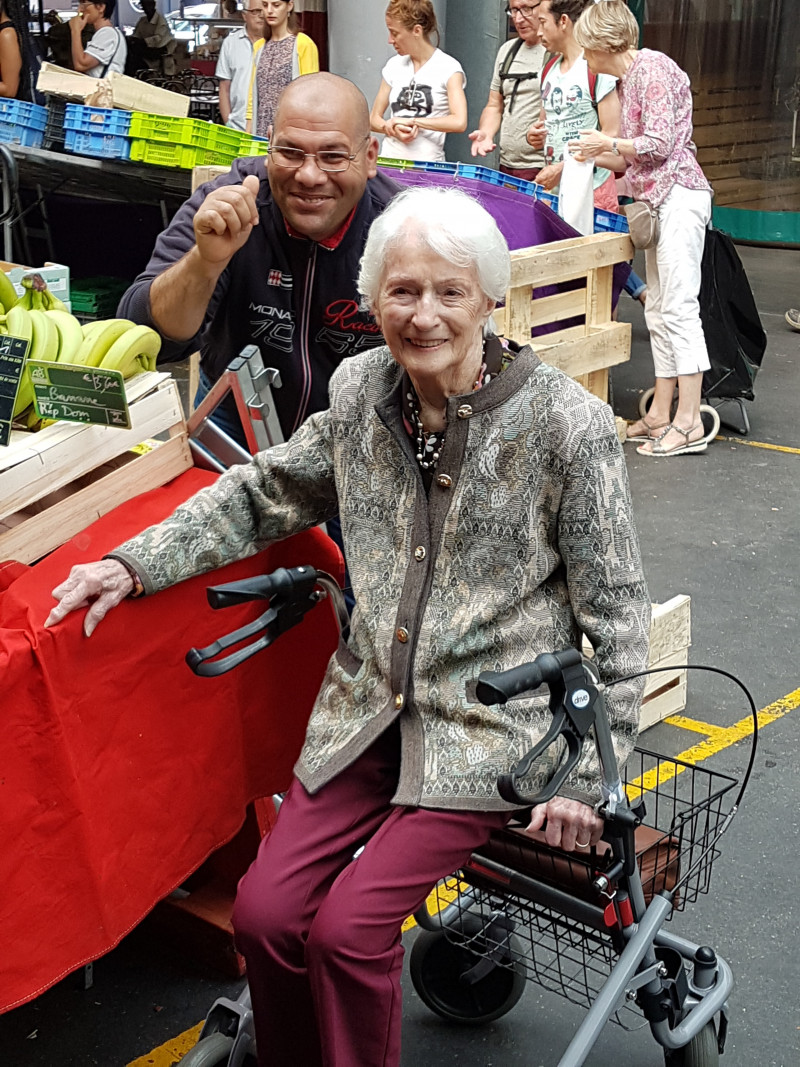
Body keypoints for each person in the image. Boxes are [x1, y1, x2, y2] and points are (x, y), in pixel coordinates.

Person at [47, 184, 650, 1067]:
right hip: (369, 712)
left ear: (490, 297)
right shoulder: (365, 388)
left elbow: (621, 623)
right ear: (373, 304)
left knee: (349, 932)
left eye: (450, 291)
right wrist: (131, 563)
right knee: (262, 915)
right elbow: (266, 491)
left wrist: (585, 773)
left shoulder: (569, 426)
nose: (425, 314)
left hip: (493, 736)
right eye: (402, 292)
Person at [117, 73, 400, 447]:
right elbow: (144, 333)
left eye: (333, 156)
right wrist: (205, 262)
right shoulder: (228, 202)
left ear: (369, 158)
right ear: (268, 146)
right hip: (233, 414)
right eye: (290, 152)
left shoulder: (400, 230)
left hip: (356, 433)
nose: (309, 175)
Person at [572, 0, 713, 456]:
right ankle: (660, 413)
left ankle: (688, 422)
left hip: (678, 197)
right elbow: (635, 154)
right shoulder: (632, 78)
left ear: (602, 42)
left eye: (588, 46)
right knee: (659, 310)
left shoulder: (651, 68)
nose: (585, 56)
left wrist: (607, 142)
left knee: (677, 306)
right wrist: (594, 153)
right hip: (660, 199)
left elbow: (658, 143)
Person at [526, 0, 623, 212]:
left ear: (563, 21)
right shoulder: (549, 68)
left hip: (593, 189)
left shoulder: (596, 66)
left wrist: (565, 167)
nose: (539, 32)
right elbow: (544, 122)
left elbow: (612, 136)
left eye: (543, 22)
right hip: (555, 191)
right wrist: (534, 134)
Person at [369, 0, 466, 163]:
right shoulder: (393, 65)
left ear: (417, 30)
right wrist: (390, 127)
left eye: (395, 33)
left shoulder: (449, 67)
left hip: (428, 165)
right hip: (390, 161)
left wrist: (414, 122)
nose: (390, 40)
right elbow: (373, 119)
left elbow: (459, 121)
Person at [469, 0, 546, 181]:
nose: (519, 19)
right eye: (513, 10)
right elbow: (494, 105)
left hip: (543, 167)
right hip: (507, 166)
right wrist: (485, 133)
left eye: (526, 9)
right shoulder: (507, 51)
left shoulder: (558, 52)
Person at [245, 0, 318, 139]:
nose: (270, 11)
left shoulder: (303, 44)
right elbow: (252, 95)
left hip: (292, 128)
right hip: (261, 128)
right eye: (265, 5)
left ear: (289, 6)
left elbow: (311, 96)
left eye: (276, 5)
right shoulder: (260, 47)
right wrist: (248, 130)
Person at [217, 0, 265, 130]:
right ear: (244, 15)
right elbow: (224, 88)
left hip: (269, 128)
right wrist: (228, 122)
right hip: (238, 127)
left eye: (264, 10)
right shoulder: (230, 43)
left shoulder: (276, 43)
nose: (261, 16)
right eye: (256, 11)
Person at [70, 0, 126, 78]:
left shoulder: (107, 33)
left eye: (84, 5)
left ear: (101, 7)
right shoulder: (104, 33)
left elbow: (81, 65)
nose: (80, 10)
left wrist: (75, 30)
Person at [131, 0, 176, 76]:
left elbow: (157, 40)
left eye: (147, 5)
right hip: (145, 50)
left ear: (153, 5)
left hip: (160, 51)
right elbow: (136, 36)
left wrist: (142, 41)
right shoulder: (142, 21)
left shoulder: (161, 21)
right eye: (144, 6)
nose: (146, 8)